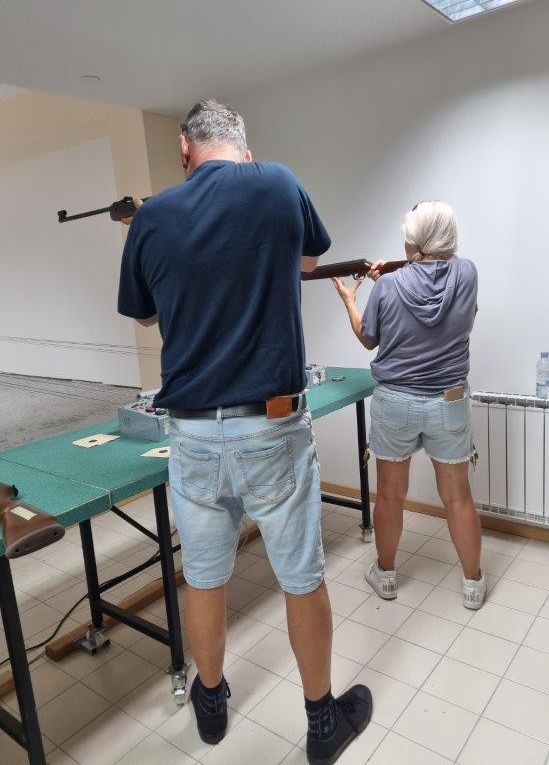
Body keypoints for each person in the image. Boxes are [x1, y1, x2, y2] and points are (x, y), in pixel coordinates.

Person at [117, 99, 372, 764]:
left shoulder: (153, 217)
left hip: (192, 434)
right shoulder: (277, 183)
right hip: (273, 427)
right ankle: (322, 725)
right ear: (244, 150)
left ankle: (209, 706)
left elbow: (144, 316)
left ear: (184, 149)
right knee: (301, 577)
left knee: (204, 578)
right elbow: (308, 263)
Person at [332, 201, 485, 610]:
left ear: (416, 242)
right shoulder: (467, 275)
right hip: (449, 402)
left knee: (389, 495)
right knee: (458, 497)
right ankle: (473, 583)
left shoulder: (387, 287)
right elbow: (441, 265)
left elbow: (368, 338)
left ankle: (385, 576)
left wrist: (350, 300)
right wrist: (407, 263)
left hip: (395, 403)